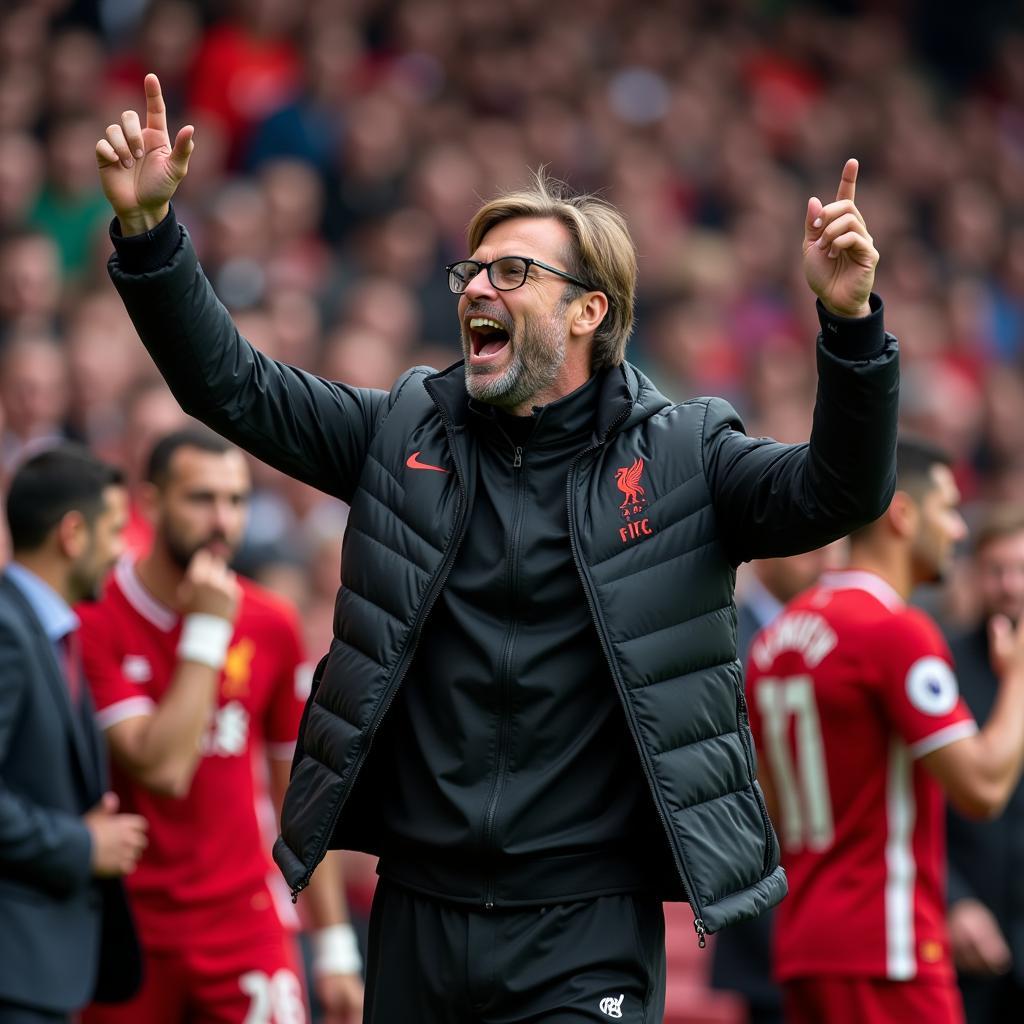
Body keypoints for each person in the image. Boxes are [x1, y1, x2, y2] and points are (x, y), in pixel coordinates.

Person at [96, 74, 898, 1021]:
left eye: (511, 272)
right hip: (421, 911)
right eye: (471, 271)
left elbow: (840, 491)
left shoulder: (686, 457)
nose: (477, 285)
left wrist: (851, 329)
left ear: (589, 313)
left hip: (584, 923)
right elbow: (233, 389)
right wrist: (151, 236)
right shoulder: (400, 432)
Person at [77, 428, 363, 1024]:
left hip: (244, 924)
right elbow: (163, 770)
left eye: (235, 501)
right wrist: (206, 633)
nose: (222, 521)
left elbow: (300, 795)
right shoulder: (97, 617)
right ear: (151, 503)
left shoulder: (270, 623)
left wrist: (334, 947)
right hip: (132, 929)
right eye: (201, 499)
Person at [746, 438, 1024, 1024]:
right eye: (948, 510)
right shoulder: (895, 631)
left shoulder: (775, 640)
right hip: (887, 946)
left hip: (804, 944)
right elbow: (983, 788)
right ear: (902, 514)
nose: (957, 531)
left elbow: (768, 805)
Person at [0, 445, 146, 1023]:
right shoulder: (9, 634)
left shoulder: (45, 630)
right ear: (72, 533)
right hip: (15, 976)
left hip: (40, 977)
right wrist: (82, 845)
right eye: (114, 531)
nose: (122, 550)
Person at [710, 548, 837, 1024]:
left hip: (839, 908)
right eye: (808, 544)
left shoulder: (838, 631)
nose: (824, 555)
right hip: (764, 903)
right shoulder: (718, 635)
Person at [946, 505, 1024, 1022]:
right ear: (976, 576)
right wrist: (952, 900)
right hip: (962, 940)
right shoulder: (939, 665)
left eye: (1021, 570)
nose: (1010, 585)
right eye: (997, 570)